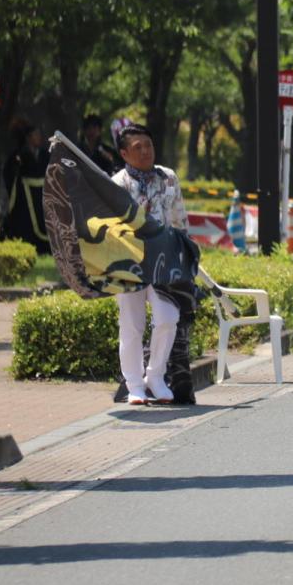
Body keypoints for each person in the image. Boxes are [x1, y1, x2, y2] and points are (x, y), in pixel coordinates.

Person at [109, 124, 189, 404]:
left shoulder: (168, 177)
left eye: (149, 145)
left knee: (168, 317)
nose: (145, 151)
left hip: (165, 260)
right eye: (138, 147)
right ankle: (134, 384)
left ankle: (155, 376)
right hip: (129, 262)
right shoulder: (116, 184)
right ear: (124, 153)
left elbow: (179, 218)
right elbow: (111, 228)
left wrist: (184, 252)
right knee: (132, 325)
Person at [1, 118, 50, 252]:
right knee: (25, 225)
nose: (39, 137)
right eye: (35, 135)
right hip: (25, 197)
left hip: (42, 196)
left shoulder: (45, 155)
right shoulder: (19, 155)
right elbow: (9, 173)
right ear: (28, 138)